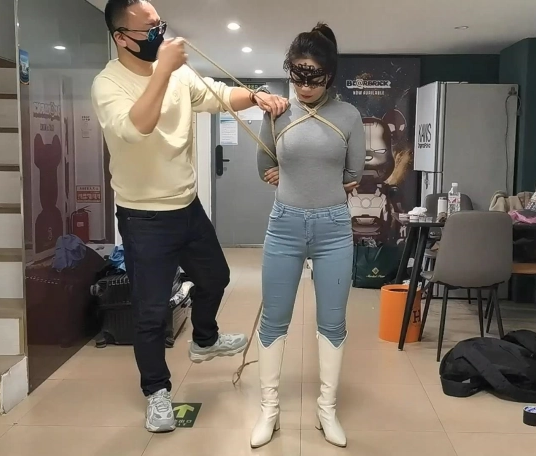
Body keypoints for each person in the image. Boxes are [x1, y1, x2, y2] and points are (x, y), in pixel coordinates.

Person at [91, 0, 289, 434]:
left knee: (216, 277)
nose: (159, 34)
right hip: (143, 217)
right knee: (151, 311)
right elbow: (135, 128)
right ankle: (156, 392)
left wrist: (255, 96)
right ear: (121, 38)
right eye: (149, 29)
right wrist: (162, 70)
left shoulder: (180, 75)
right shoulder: (109, 84)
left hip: (186, 206)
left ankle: (204, 339)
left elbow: (217, 95)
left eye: (160, 24)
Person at [251, 23, 365, 449]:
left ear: (329, 75)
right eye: (297, 76)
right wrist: (280, 174)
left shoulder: (349, 116)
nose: (304, 86)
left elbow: (354, 172)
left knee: (332, 322)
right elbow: (264, 162)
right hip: (284, 224)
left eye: (313, 78)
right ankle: (269, 410)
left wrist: (321, 178)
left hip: (333, 228)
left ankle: (326, 410)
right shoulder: (278, 111)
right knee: (274, 319)